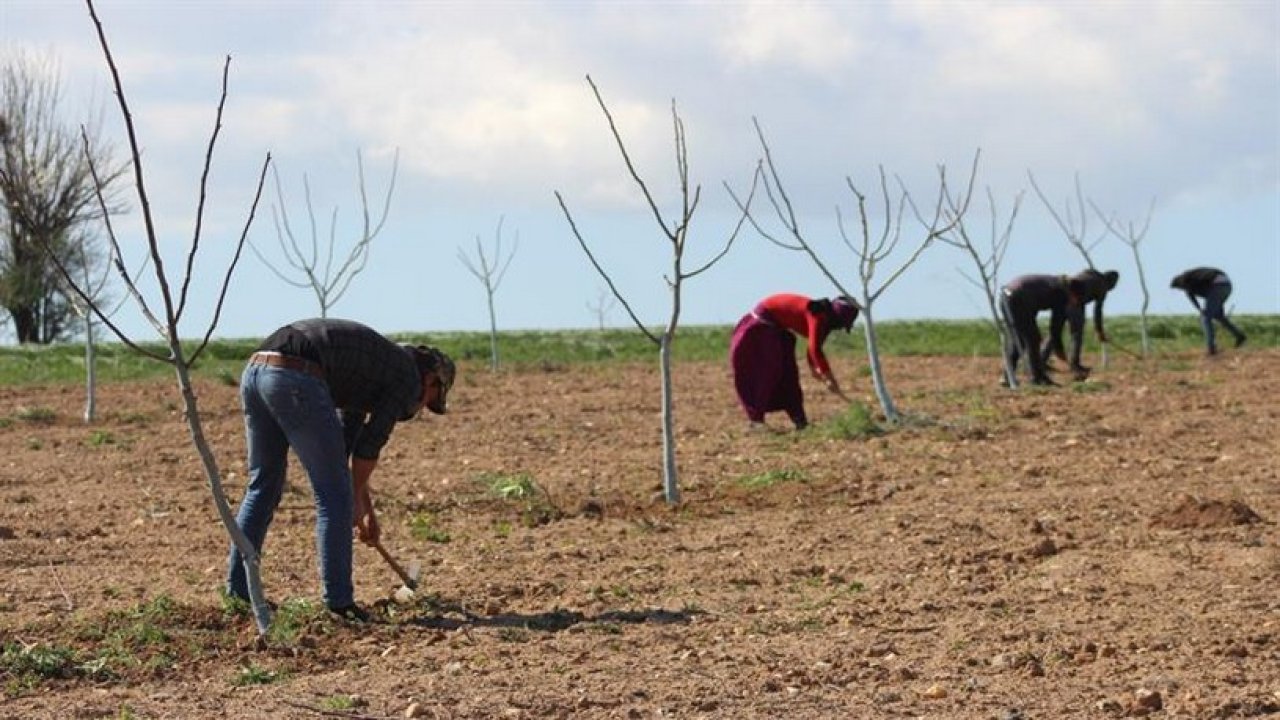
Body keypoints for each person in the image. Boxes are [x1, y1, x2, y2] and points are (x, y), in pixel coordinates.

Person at [226, 318, 455, 621]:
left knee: (263, 487)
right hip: (296, 376)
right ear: (430, 380)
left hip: (257, 372)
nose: (421, 407)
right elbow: (370, 446)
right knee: (334, 497)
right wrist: (353, 501)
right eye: (430, 401)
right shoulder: (407, 378)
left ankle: (239, 595)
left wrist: (365, 508)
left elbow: (346, 451)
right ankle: (340, 605)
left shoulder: (372, 371)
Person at [729, 293, 860, 430]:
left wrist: (816, 371)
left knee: (788, 374)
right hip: (761, 327)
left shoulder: (824, 319)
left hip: (777, 329)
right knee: (767, 373)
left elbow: (813, 351)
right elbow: (815, 350)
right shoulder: (817, 316)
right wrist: (829, 377)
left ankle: (799, 420)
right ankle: (756, 421)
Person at [1000, 269, 1119, 386]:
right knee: (1032, 339)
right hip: (1019, 298)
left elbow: (1054, 328)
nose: (1074, 305)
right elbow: (1055, 329)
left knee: (1019, 339)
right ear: (1074, 295)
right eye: (1077, 301)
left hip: (1006, 295)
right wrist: (1061, 353)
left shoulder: (1061, 283)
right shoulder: (1061, 295)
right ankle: (1037, 378)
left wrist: (1059, 351)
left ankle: (1008, 377)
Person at [1170, 267, 1246, 355]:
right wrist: (1200, 309)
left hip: (1217, 285)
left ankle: (1211, 348)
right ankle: (1240, 336)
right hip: (1226, 285)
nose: (1180, 290)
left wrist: (1203, 311)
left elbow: (1193, 297)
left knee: (1205, 318)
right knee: (1219, 316)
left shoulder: (1185, 279)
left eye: (1178, 288)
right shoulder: (1192, 281)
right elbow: (1193, 297)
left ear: (1179, 283)